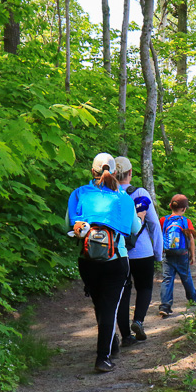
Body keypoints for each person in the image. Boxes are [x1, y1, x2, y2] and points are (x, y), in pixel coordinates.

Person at [66, 153, 143, 373]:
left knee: (100, 305)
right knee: (110, 307)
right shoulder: (123, 198)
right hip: (115, 260)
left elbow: (68, 227)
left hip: (87, 260)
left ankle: (111, 343)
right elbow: (135, 230)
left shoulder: (78, 194)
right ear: (116, 173)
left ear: (93, 172)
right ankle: (103, 358)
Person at [113, 156, 162, 342]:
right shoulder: (140, 193)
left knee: (123, 291)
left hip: (118, 253)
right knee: (145, 287)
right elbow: (154, 225)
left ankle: (126, 335)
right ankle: (139, 321)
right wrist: (158, 253)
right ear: (130, 173)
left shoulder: (110, 194)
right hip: (142, 252)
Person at [157, 194, 196, 318]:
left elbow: (159, 237)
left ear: (170, 206)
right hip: (182, 254)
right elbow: (191, 239)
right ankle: (193, 297)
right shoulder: (186, 221)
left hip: (168, 254)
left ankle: (165, 306)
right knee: (186, 277)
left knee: (167, 279)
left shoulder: (163, 220)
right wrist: (193, 255)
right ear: (184, 209)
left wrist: (159, 252)